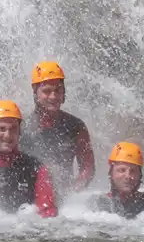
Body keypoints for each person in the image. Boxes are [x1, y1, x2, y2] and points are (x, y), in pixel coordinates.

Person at [20, 61, 95, 197]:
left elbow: (87, 169)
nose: (53, 96)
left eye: (58, 90)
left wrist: (72, 193)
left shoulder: (76, 126)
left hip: (64, 197)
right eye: (47, 91)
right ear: (35, 92)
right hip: (29, 198)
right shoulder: (22, 127)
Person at [91, 142, 144, 218]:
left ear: (140, 175)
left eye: (133, 171)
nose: (128, 176)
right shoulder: (99, 203)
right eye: (122, 170)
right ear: (111, 174)